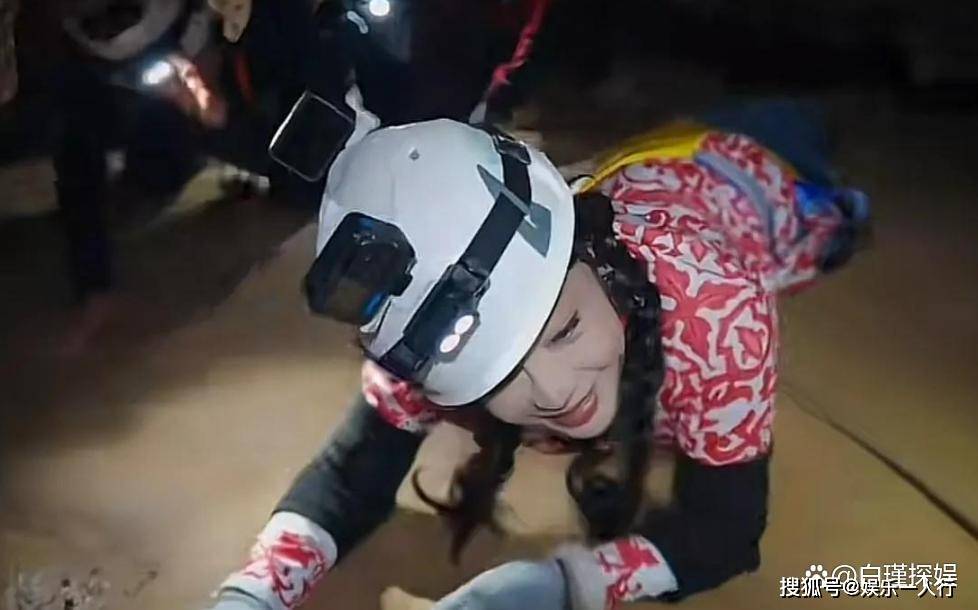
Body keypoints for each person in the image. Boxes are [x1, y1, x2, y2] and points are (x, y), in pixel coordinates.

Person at [205, 102, 869, 610]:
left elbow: (726, 533)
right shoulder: (426, 323)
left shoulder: (717, 306)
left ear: (598, 258)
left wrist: (564, 584)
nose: (553, 393)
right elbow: (351, 476)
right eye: (498, 372)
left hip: (768, 176)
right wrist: (254, 590)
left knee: (831, 180)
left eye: (565, 328)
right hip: (653, 160)